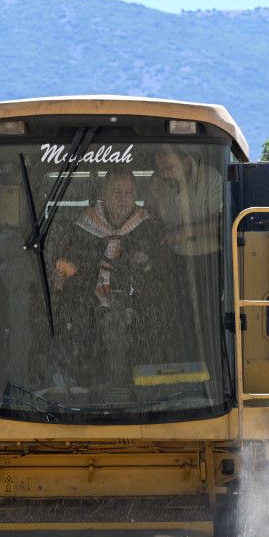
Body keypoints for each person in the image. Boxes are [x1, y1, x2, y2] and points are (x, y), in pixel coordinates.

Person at [46, 167, 165, 390]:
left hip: (136, 305)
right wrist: (60, 277)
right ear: (103, 193)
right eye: (117, 192)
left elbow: (161, 275)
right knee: (78, 325)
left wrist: (146, 266)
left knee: (120, 324)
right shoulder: (83, 226)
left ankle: (120, 387)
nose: (123, 199)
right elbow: (68, 264)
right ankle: (85, 389)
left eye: (129, 193)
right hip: (90, 302)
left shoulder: (149, 226)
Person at [146, 144, 224, 253]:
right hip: (168, 256)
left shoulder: (210, 179)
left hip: (210, 262)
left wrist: (189, 231)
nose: (164, 175)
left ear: (186, 163)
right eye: (160, 169)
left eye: (170, 168)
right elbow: (149, 217)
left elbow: (223, 224)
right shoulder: (156, 181)